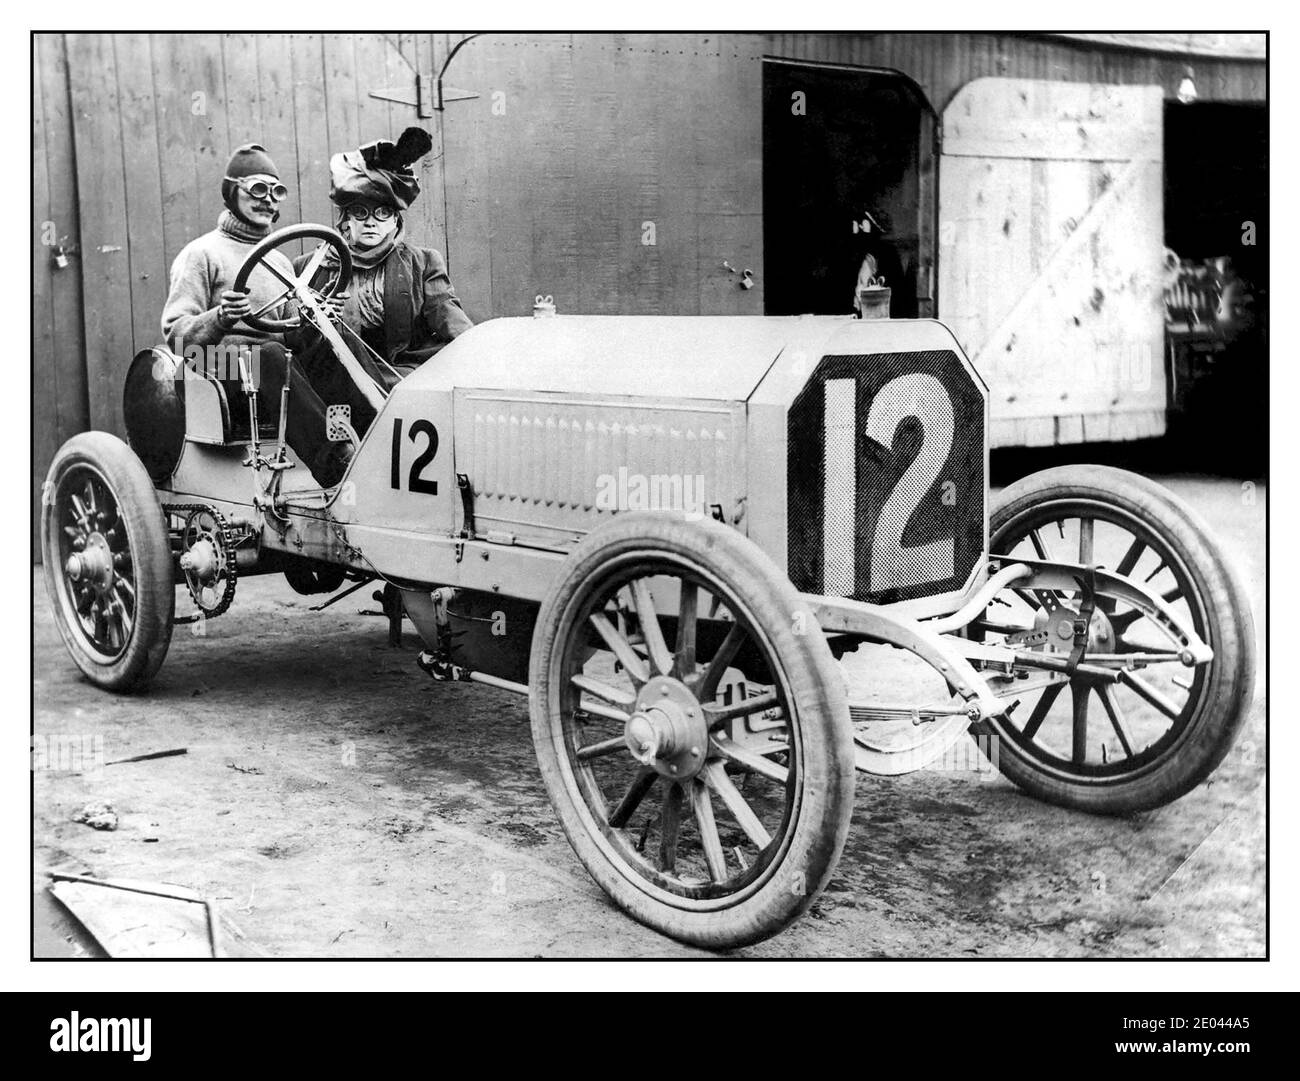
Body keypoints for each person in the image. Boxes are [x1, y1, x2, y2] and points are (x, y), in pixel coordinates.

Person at [160, 144, 351, 486]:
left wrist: (319, 320)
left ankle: (381, 431)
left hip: (270, 368)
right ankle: (335, 463)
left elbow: (293, 332)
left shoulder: (278, 261)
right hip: (213, 366)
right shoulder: (201, 254)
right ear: (232, 193)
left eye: (276, 191)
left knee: (336, 343)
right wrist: (220, 318)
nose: (269, 199)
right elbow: (177, 340)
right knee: (271, 355)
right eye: (258, 189)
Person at [293, 127, 473, 437]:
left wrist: (483, 349)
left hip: (400, 376)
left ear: (395, 220)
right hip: (336, 386)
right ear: (345, 220)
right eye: (361, 212)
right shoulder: (309, 268)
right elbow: (295, 341)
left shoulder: (423, 262)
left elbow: (450, 319)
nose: (372, 221)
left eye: (383, 212)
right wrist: (316, 318)